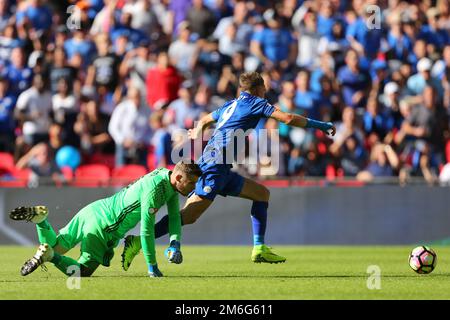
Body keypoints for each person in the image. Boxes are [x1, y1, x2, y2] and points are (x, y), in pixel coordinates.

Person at [121, 71, 336, 269]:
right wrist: (322, 126)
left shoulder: (231, 104)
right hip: (214, 166)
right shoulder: (257, 103)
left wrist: (198, 131)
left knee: (262, 194)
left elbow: (205, 119)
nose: (266, 92)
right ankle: (138, 242)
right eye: (264, 88)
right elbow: (288, 118)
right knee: (188, 215)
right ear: (259, 89)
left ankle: (259, 248)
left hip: (222, 168)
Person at [9, 162, 202, 278]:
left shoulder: (166, 177)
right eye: (191, 182)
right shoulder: (155, 190)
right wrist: (152, 267)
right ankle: (50, 256)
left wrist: (174, 243)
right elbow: (146, 231)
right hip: (106, 226)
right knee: (81, 272)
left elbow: (175, 217)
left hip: (93, 210)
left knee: (57, 245)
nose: (193, 187)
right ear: (178, 177)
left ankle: (42, 221)